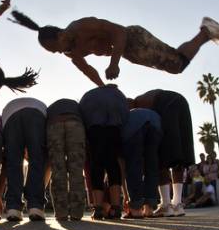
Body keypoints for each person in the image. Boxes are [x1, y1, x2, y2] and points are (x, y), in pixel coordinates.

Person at [10, 9, 219, 86]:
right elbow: (88, 70)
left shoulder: (81, 26)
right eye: (54, 53)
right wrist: (102, 88)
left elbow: (119, 31)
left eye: (56, 47)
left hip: (132, 38)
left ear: (60, 34)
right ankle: (206, 33)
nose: (60, 52)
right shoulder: (72, 53)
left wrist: (114, 63)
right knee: (176, 65)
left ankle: (205, 32)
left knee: (176, 64)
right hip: (126, 52)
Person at [131, 89, 194, 217]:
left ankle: (166, 205)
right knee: (178, 154)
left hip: (164, 104)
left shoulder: (136, 105)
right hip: (181, 101)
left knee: (160, 154)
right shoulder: (142, 99)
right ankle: (177, 204)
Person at [79, 84, 129, 219]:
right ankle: (116, 208)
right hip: (114, 130)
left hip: (95, 131)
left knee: (97, 166)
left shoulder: (88, 95)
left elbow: (82, 114)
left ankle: (98, 208)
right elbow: (125, 115)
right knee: (113, 165)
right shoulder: (118, 94)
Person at [1, 97, 48, 222]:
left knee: (13, 162)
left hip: (10, 113)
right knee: (37, 160)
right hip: (37, 111)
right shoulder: (41, 106)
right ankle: (35, 206)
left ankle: (13, 207)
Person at [46, 98, 87, 222]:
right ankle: (77, 212)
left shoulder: (51, 106)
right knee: (76, 169)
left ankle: (61, 212)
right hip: (75, 124)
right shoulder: (76, 105)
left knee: (57, 169)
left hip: (54, 124)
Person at [120, 106, 162, 218]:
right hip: (155, 121)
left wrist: (127, 197)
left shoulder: (124, 122)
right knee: (151, 165)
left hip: (134, 127)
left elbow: (124, 169)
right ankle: (149, 208)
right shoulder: (132, 113)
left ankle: (136, 209)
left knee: (133, 165)